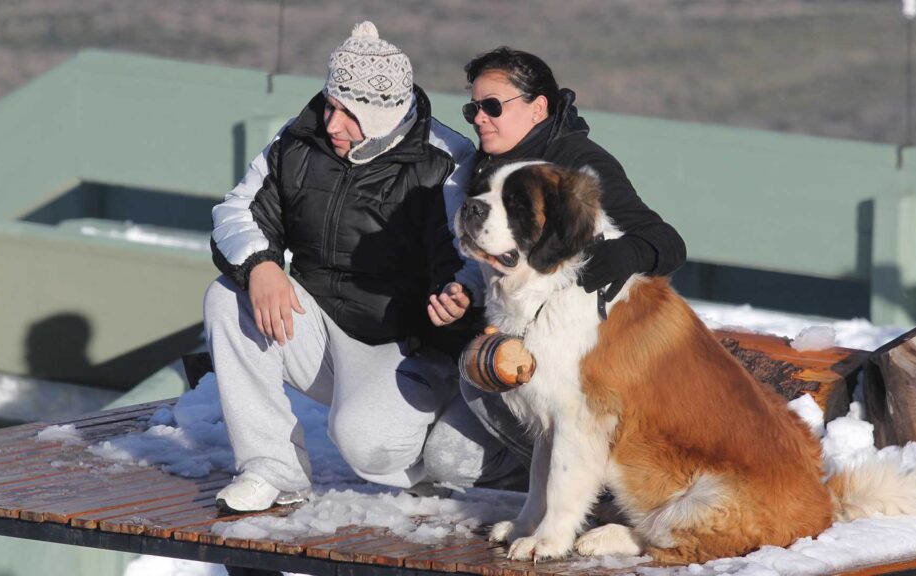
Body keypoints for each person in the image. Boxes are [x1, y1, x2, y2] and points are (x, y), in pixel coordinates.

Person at [205, 22, 521, 513]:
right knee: (228, 295)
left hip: (401, 345)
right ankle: (273, 469)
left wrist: (458, 291)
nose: (332, 124)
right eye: (331, 106)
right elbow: (237, 211)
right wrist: (262, 265)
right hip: (318, 325)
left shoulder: (446, 161)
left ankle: (449, 460)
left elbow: (470, 257)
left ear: (384, 115)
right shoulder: (299, 140)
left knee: (368, 445)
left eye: (349, 114)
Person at [459, 47, 687, 468]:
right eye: (472, 108)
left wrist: (627, 253)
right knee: (466, 400)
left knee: (487, 368)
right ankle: (544, 481)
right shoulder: (485, 163)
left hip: (587, 368)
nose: (478, 118)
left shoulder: (579, 165)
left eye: (491, 106)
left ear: (537, 107)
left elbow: (667, 242)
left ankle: (587, 486)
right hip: (515, 339)